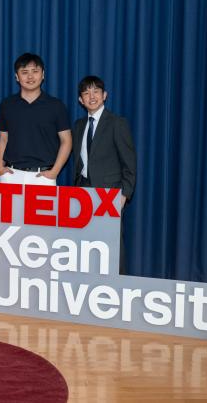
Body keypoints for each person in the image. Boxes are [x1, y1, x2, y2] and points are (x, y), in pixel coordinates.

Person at [72, 75, 137, 274]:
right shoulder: (78, 125)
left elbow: (130, 163)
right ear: (80, 100)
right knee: (85, 243)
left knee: (112, 243)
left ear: (104, 95)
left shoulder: (117, 123)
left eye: (96, 91)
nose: (91, 96)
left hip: (110, 193)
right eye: (86, 92)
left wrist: (124, 195)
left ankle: (118, 287)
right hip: (82, 191)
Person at [0, 52, 72, 185]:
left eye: (35, 71)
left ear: (42, 75)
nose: (30, 76)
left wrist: (54, 171)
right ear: (17, 77)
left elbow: (66, 141)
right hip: (11, 175)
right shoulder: (7, 104)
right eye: (24, 72)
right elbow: (3, 138)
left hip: (43, 177)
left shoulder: (56, 105)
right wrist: (0, 167)